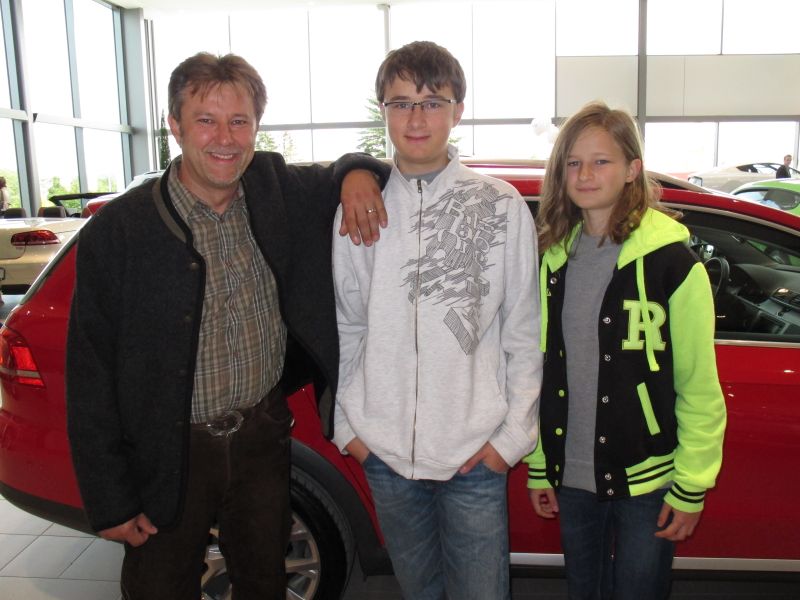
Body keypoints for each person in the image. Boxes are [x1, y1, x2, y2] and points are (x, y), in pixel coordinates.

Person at [65, 52, 390, 600]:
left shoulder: (273, 189)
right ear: (175, 126)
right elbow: (89, 372)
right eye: (206, 120)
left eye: (239, 121)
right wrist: (110, 500)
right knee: (160, 586)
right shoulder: (120, 231)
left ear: (257, 127)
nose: (225, 138)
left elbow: (352, 165)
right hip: (169, 451)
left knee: (264, 580)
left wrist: (358, 174)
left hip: (260, 438)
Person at [332, 41, 542, 600]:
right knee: (418, 591)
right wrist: (351, 431)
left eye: (432, 102)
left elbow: (523, 333)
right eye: (401, 103)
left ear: (458, 110)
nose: (416, 118)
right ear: (384, 112)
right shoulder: (359, 210)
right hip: (385, 458)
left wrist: (510, 440)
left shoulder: (500, 206)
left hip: (475, 457)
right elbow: (348, 327)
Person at [525, 101, 727, 600]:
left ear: (632, 169)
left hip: (648, 478)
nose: (584, 175)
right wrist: (538, 462)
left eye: (601, 161)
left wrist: (692, 485)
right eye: (573, 162)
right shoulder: (552, 260)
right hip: (571, 476)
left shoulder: (672, 265)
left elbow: (699, 384)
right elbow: (540, 370)